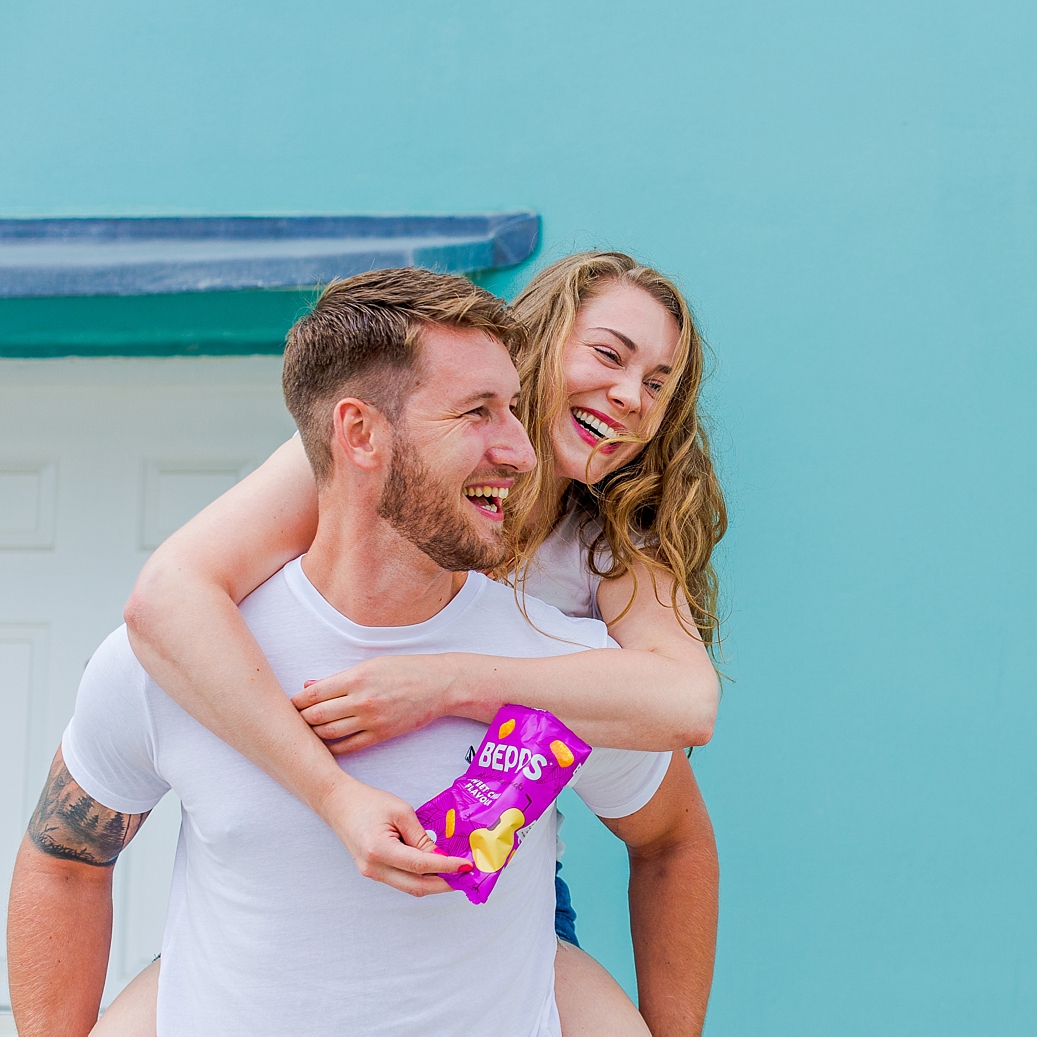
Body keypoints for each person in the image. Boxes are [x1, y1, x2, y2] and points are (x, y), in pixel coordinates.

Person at [7, 269, 708, 1037]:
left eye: (657, 382)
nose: (631, 394)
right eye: (609, 355)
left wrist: (449, 682)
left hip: (515, 901)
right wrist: (330, 791)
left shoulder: (603, 564)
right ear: (360, 434)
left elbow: (684, 714)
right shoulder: (316, 498)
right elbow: (169, 593)